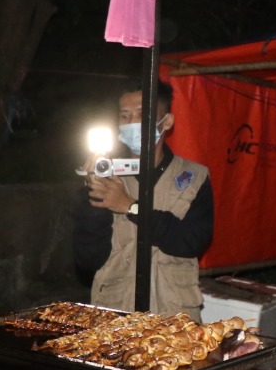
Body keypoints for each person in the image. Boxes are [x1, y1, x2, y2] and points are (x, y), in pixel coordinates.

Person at [73, 79, 213, 320]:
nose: (132, 123)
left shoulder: (194, 177)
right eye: (125, 116)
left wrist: (130, 206)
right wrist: (94, 198)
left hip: (175, 319)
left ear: (166, 121)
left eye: (142, 114)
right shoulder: (106, 176)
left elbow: (190, 242)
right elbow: (88, 259)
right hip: (115, 317)